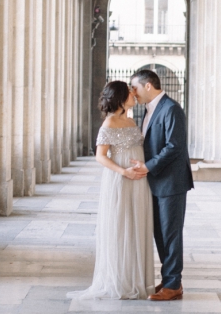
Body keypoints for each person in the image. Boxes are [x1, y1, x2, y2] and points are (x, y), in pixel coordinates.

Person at [67, 81, 155, 300]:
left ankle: (136, 279)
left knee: (137, 225)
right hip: (120, 180)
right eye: (129, 92)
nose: (134, 95)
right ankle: (120, 280)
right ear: (120, 98)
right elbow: (100, 156)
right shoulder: (109, 123)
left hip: (138, 181)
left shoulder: (132, 120)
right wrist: (124, 171)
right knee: (121, 225)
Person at [129, 69, 194, 302]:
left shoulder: (171, 108)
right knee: (160, 233)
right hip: (156, 182)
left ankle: (173, 284)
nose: (132, 93)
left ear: (148, 86)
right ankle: (170, 279)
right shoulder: (149, 110)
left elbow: (174, 147)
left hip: (171, 183)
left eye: (134, 87)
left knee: (170, 235)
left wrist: (148, 166)